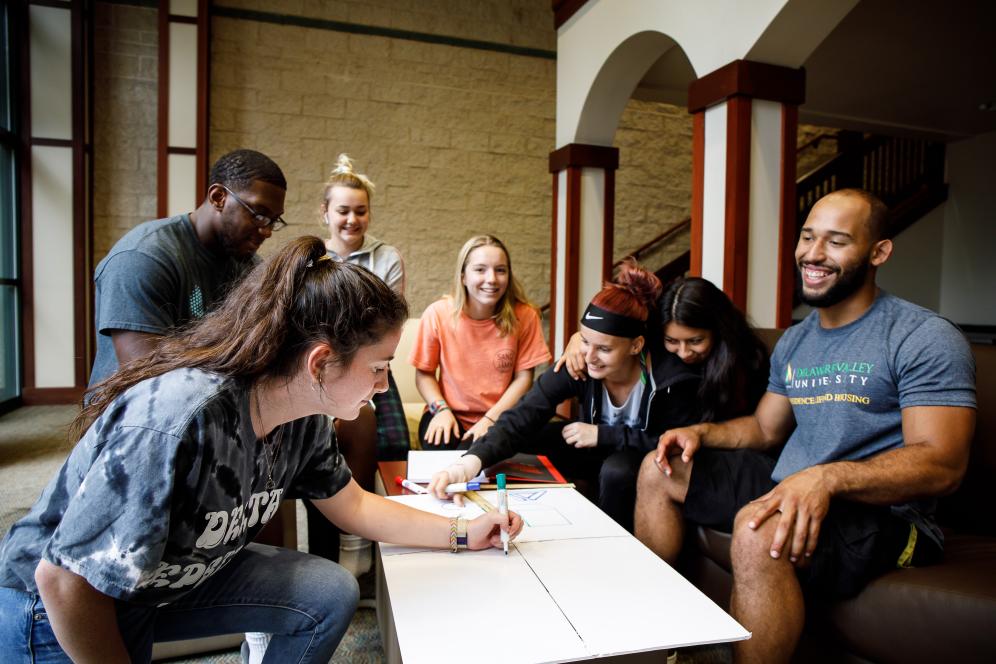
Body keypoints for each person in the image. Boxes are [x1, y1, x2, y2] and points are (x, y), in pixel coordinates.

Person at [0, 236, 522, 663]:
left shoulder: (305, 417)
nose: (386, 386)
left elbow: (355, 505)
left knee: (327, 592)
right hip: (61, 607)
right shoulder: (176, 420)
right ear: (321, 363)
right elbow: (64, 581)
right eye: (380, 366)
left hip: (165, 580)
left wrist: (463, 533)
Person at [636, 189, 976, 663]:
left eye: (837, 241)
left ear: (878, 252)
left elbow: (943, 463)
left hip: (887, 516)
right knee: (661, 468)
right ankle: (657, 639)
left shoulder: (922, 336)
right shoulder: (798, 340)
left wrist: (827, 477)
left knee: (757, 528)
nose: (813, 254)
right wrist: (699, 434)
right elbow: (763, 429)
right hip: (793, 486)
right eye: (808, 237)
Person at [429, 261, 702, 530]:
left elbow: (674, 443)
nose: (591, 357)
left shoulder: (670, 379)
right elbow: (524, 415)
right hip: (592, 454)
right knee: (527, 436)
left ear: (636, 346)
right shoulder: (579, 363)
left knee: (617, 469)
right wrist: (468, 463)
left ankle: (610, 542)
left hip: (638, 459)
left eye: (604, 349)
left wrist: (603, 434)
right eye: (584, 341)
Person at [88, 148, 287, 386]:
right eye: (258, 214)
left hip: (207, 402)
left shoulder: (248, 265)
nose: (266, 231)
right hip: (131, 413)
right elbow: (144, 373)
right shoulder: (143, 257)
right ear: (218, 197)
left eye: (273, 221)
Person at [308, 154, 408, 580]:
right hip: (319, 372)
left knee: (391, 445)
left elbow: (386, 322)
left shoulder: (387, 257)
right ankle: (325, 554)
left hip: (369, 368)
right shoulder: (310, 258)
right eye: (343, 210)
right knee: (317, 453)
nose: (352, 219)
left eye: (360, 210)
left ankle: (362, 542)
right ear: (325, 212)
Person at [557, 275, 770, 423]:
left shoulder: (747, 361)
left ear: (719, 330)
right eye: (672, 341)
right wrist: (579, 340)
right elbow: (618, 336)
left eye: (695, 341)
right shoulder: (650, 348)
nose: (684, 352)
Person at [409, 235, 551, 449]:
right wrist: (441, 410)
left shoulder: (526, 315)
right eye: (480, 269)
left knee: (480, 456)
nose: (492, 279)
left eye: (500, 270)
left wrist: (490, 420)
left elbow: (524, 379)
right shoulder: (438, 314)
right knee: (445, 459)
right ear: (463, 276)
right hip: (447, 413)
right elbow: (424, 374)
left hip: (502, 415)